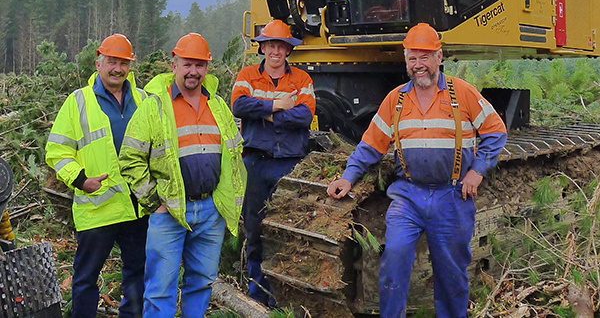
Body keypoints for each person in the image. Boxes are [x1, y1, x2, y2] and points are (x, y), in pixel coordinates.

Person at [327, 23, 507, 317]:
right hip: (408, 197)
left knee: (451, 275)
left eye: (425, 57)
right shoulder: (395, 100)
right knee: (394, 259)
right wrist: (348, 177)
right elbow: (370, 144)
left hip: (452, 198)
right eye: (412, 58)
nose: (418, 65)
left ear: (439, 57)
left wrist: (477, 171)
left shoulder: (462, 93)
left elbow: (496, 131)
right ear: (405, 59)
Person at [119, 33, 246, 318]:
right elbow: (130, 159)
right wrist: (154, 202)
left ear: (207, 68)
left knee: (201, 284)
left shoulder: (218, 106)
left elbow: (234, 154)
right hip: (169, 212)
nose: (193, 71)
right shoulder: (155, 107)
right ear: (173, 65)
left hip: (209, 211)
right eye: (187, 64)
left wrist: (222, 203)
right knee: (160, 289)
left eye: (200, 65)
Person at [45, 34, 148, 318]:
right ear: (98, 63)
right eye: (111, 61)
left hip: (136, 208)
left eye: (123, 63)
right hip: (97, 210)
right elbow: (56, 150)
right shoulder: (77, 102)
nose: (117, 68)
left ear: (130, 65)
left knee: (136, 275)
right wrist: (80, 180)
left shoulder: (143, 100)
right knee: (86, 278)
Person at [231, 19, 316, 305]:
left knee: (288, 229)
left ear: (288, 50)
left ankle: (286, 298)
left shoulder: (302, 79)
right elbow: (239, 105)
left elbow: (304, 115)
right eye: (270, 45)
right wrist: (277, 105)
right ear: (263, 48)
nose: (275, 51)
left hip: (289, 164)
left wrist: (266, 115)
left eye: (281, 46)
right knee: (255, 230)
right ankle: (258, 296)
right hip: (255, 164)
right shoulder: (247, 75)